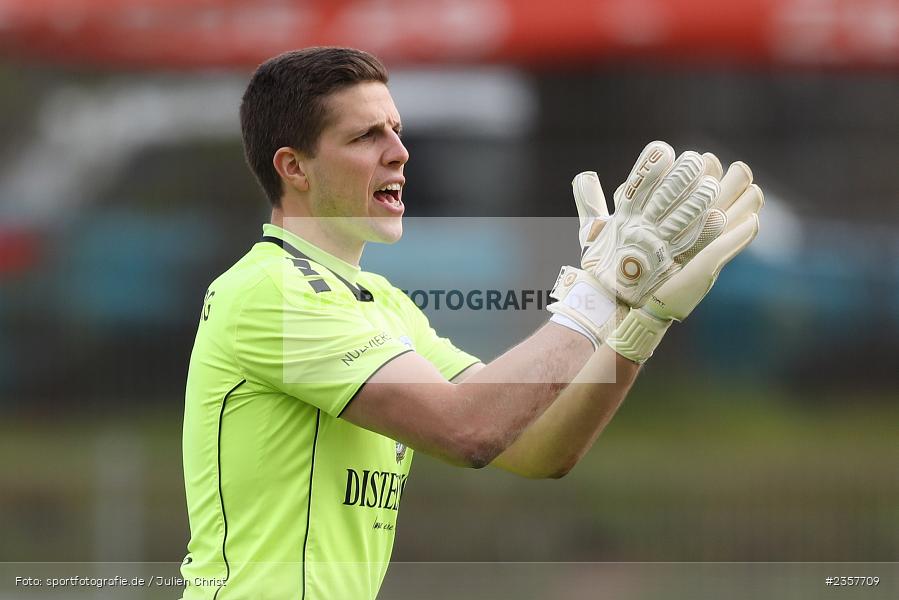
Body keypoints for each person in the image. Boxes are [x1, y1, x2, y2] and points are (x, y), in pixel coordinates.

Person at [179, 47, 763, 599]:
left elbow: (536, 445)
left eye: (395, 130)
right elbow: (470, 430)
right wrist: (600, 292)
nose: (399, 152)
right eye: (364, 136)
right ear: (294, 168)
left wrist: (637, 322)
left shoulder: (383, 304)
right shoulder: (271, 291)